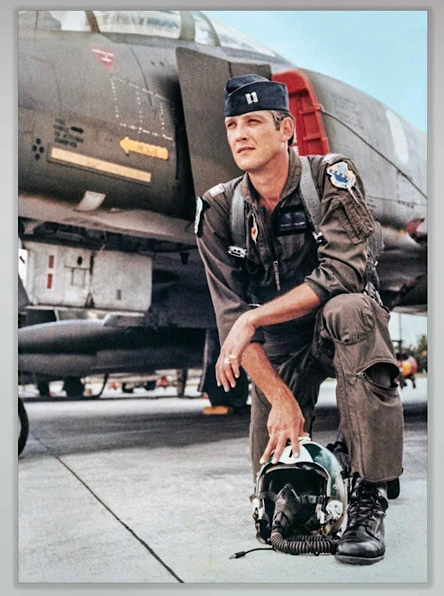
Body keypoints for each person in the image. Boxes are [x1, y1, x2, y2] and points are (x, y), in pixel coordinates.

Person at [195, 74, 404, 565]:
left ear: (286, 129)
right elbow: (231, 319)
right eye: (231, 126)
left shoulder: (331, 178)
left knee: (349, 310)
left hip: (340, 326)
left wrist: (254, 319)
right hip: (283, 344)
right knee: (273, 480)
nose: (240, 135)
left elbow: (342, 273)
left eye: (253, 122)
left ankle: (370, 491)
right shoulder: (219, 210)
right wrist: (280, 399)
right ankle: (338, 452)